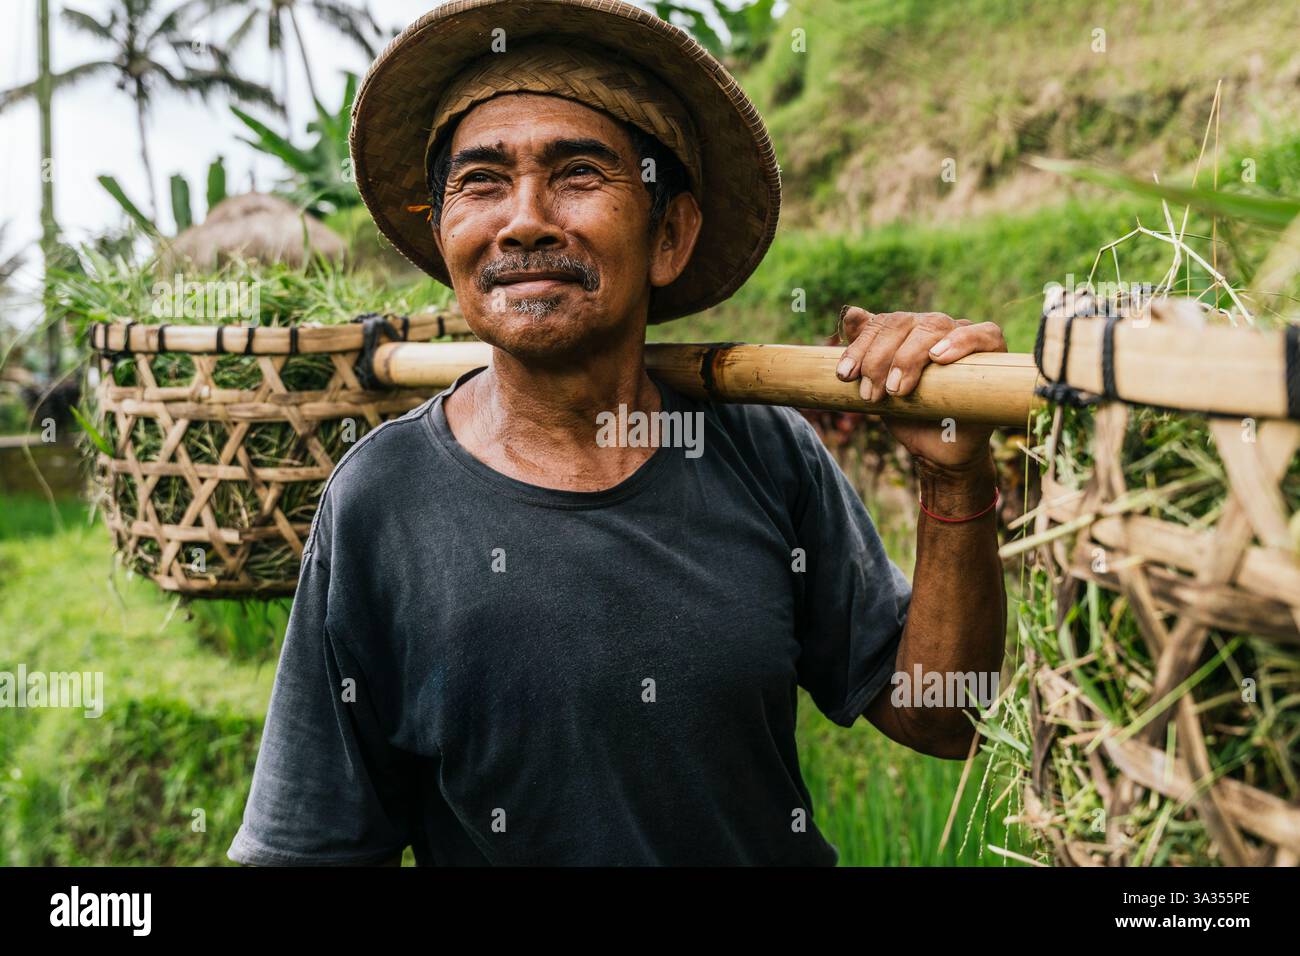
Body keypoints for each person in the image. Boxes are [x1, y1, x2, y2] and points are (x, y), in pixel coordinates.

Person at [228, 0, 1007, 867]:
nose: (522, 219)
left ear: (669, 234)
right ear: (444, 234)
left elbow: (948, 719)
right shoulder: (381, 502)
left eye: (577, 174)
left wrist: (955, 486)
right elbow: (311, 850)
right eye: (481, 181)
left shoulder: (762, 451)